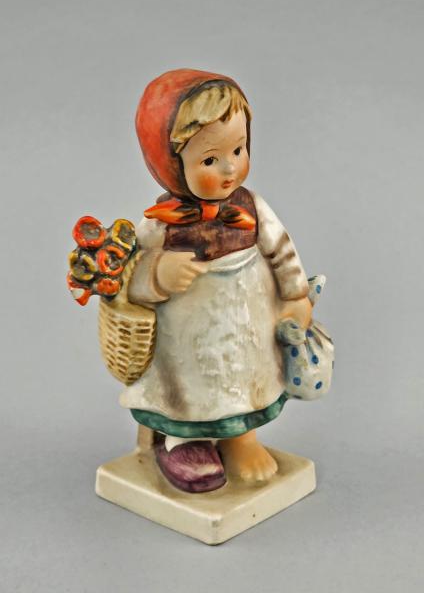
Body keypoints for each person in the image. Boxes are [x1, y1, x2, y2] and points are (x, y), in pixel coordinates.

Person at [120, 68, 312, 492]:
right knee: (192, 390)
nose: (230, 168)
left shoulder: (252, 207)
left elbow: (282, 251)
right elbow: (127, 278)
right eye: (209, 160)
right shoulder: (161, 223)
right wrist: (158, 272)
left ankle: (241, 441)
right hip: (188, 340)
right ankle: (181, 441)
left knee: (245, 379)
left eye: (238, 149)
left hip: (247, 323)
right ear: (171, 165)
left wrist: (296, 295)